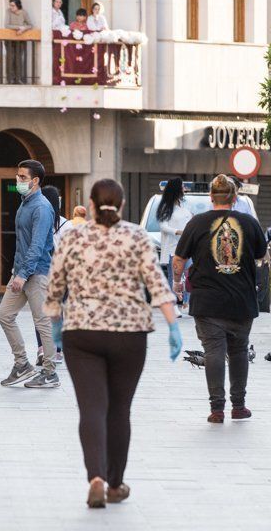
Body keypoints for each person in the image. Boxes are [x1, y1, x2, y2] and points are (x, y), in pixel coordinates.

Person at [45, 179, 183, 508]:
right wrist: (173, 324)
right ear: (121, 207)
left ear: (90, 206)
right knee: (119, 410)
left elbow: (55, 283)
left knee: (91, 409)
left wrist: (54, 323)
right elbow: (156, 281)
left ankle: (95, 477)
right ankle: (116, 483)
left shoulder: (73, 236)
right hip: (129, 335)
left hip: (82, 333)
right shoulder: (136, 236)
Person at [172, 174, 267, 423]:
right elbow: (261, 254)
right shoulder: (249, 222)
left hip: (207, 301)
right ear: (234, 198)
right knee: (239, 351)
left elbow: (178, 260)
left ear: (211, 197)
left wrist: (177, 284)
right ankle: (239, 406)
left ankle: (217, 409)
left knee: (213, 351)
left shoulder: (197, 223)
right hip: (242, 301)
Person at [0, 159, 60, 389]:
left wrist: (22, 274)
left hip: (37, 273)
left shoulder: (41, 207)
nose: (18, 181)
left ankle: (50, 373)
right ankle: (22, 364)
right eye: (17, 176)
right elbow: (22, 243)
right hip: (22, 272)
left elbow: (37, 245)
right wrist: (17, 271)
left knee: (42, 323)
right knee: (4, 315)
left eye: (22, 177)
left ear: (35, 181)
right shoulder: (25, 203)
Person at [37, 185, 71, 364]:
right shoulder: (67, 224)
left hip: (41, 273)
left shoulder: (38, 221)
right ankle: (57, 350)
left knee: (40, 312)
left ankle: (41, 348)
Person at [156, 178, 193, 303]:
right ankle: (172, 304)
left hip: (188, 248)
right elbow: (163, 226)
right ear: (176, 189)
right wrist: (179, 232)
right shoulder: (166, 207)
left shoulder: (184, 205)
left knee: (190, 275)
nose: (184, 189)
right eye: (182, 186)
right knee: (174, 277)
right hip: (173, 249)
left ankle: (187, 303)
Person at [5, 0, 33, 84]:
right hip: (9, 39)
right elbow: (7, 25)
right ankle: (10, 79)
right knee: (10, 58)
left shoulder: (24, 13)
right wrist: (19, 27)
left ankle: (18, 79)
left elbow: (30, 25)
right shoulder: (8, 11)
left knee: (18, 59)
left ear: (18, 5)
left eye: (13, 5)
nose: (11, 7)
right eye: (10, 5)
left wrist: (24, 28)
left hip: (20, 40)